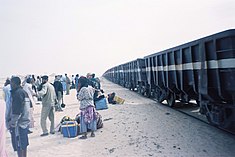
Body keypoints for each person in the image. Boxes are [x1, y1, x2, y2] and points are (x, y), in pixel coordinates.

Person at [9, 76, 30, 157]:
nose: (10, 85)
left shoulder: (17, 93)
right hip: (25, 123)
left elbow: (17, 112)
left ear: (14, 84)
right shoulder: (24, 92)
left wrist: (12, 123)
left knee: (20, 145)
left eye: (11, 83)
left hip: (19, 124)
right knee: (23, 145)